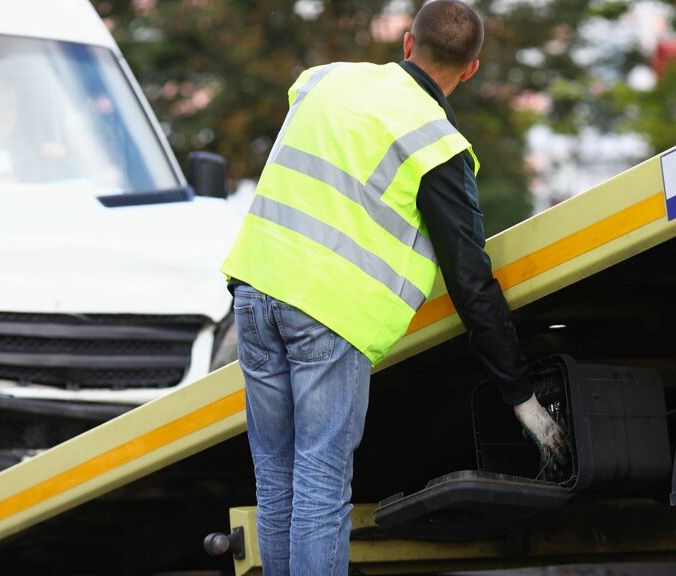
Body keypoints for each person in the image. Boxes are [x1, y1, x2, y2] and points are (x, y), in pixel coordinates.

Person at [220, 1, 566, 574]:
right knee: (320, 485)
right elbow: (470, 280)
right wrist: (519, 393)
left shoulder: (324, 79)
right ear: (470, 70)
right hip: (327, 315)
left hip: (254, 291)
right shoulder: (436, 144)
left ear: (408, 43)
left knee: (276, 481)